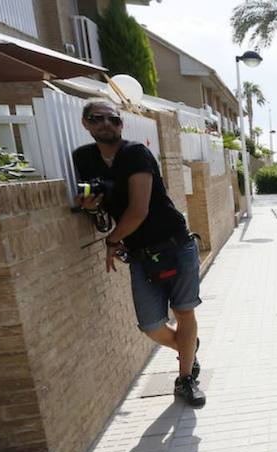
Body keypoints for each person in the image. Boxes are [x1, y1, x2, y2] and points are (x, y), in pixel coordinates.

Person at [73, 99, 205, 408]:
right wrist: (92, 208)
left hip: (175, 244)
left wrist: (112, 242)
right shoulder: (84, 158)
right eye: (97, 118)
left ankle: (185, 378)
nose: (106, 124)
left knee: (184, 311)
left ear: (121, 125)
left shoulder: (135, 154)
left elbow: (138, 210)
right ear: (86, 124)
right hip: (139, 252)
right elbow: (104, 210)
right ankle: (188, 348)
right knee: (150, 325)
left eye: (113, 119)